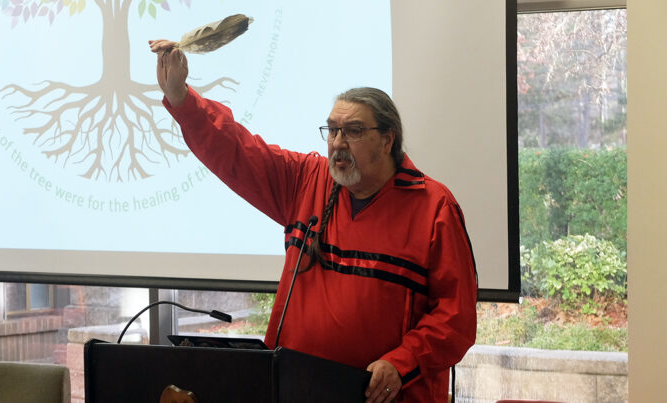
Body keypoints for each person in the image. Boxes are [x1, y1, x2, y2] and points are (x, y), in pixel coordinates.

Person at [150, 39, 478, 403]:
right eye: (332, 130)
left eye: (352, 131)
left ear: (387, 139)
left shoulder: (433, 207)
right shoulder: (307, 180)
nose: (338, 142)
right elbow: (238, 152)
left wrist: (404, 362)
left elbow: (456, 318)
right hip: (295, 391)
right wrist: (182, 99)